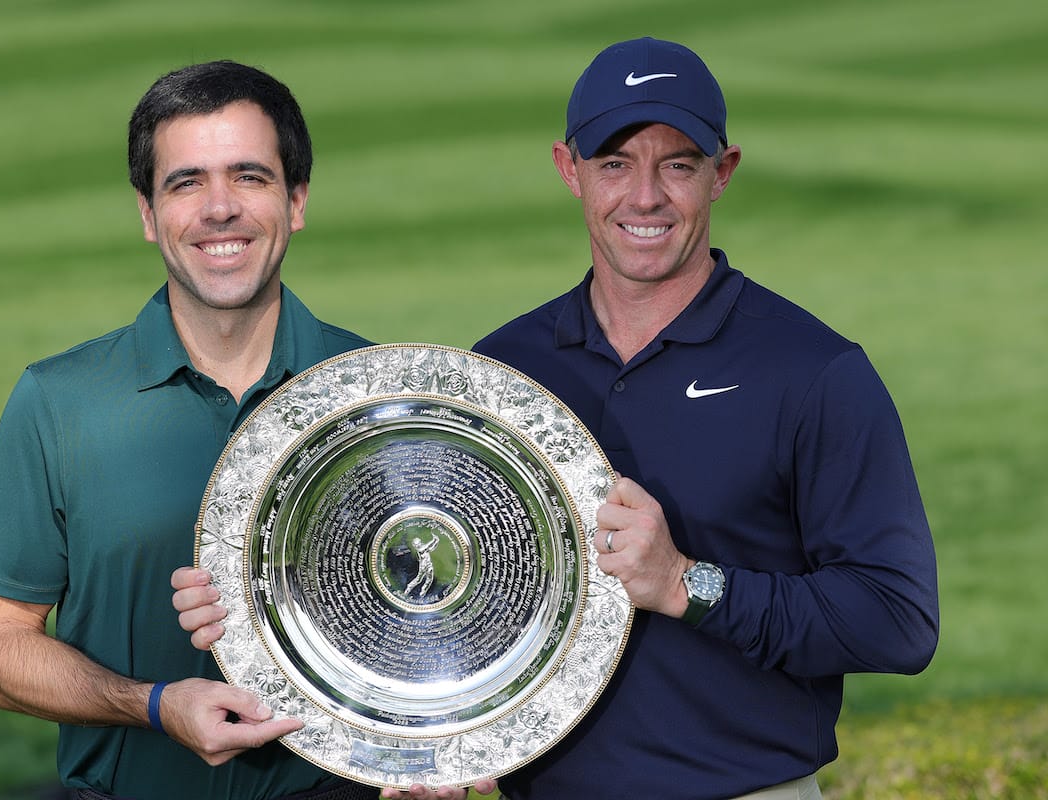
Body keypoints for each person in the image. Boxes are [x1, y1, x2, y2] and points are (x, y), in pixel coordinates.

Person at [174, 37, 939, 799]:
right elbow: (454, 599)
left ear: (722, 172)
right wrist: (427, 744)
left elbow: (899, 622)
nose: (645, 197)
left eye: (677, 165)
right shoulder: (505, 372)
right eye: (615, 164)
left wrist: (687, 584)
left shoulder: (811, 371)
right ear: (569, 170)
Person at [0, 60, 471, 800]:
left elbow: (441, 611)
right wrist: (152, 704)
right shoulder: (57, 402)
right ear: (148, 213)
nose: (220, 208)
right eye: (186, 182)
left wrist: (426, 756)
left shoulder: (384, 395)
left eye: (250, 177)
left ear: (296, 200)